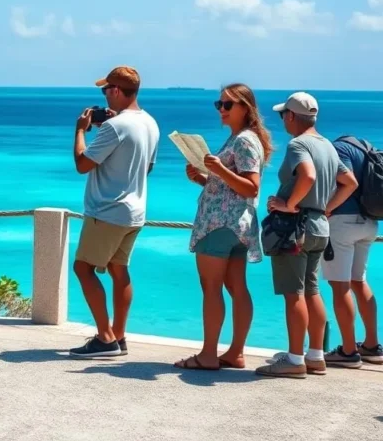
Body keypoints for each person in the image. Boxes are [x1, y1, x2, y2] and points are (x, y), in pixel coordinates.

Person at [255, 92, 359, 379]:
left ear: (290, 116)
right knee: (313, 291)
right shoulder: (327, 145)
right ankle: (315, 355)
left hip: (294, 229)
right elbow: (349, 182)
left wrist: (287, 205)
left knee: (294, 293)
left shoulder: (297, 144)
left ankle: (294, 358)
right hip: (318, 227)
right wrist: (325, 209)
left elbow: (308, 175)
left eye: (282, 115)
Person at [173, 84, 271, 371]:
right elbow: (232, 189)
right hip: (236, 224)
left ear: (246, 108)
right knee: (236, 287)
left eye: (228, 104)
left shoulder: (243, 141)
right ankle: (235, 352)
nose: (222, 110)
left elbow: (251, 188)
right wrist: (204, 179)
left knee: (212, 287)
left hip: (220, 225)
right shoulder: (242, 139)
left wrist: (218, 171)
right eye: (220, 104)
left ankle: (208, 354)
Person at [69, 66, 160, 358]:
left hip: (107, 210)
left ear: (117, 91)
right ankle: (119, 336)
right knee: (119, 270)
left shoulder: (115, 127)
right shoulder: (150, 123)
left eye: (105, 90)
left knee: (82, 268)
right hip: (135, 212)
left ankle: (105, 338)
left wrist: (80, 131)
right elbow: (148, 168)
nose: (103, 96)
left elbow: (83, 164)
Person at [322, 135, 382, 367]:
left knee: (340, 285)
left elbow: (349, 183)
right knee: (359, 280)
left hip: (343, 222)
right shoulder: (368, 148)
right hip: (369, 221)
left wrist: (328, 208)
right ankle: (372, 345)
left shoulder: (337, 148)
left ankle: (348, 351)